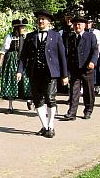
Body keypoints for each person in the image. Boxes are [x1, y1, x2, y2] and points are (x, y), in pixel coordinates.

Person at [17, 10, 68, 138]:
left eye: (43, 19)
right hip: (35, 72)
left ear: (49, 22)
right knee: (37, 100)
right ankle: (45, 126)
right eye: (39, 19)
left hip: (50, 72)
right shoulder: (30, 36)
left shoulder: (56, 36)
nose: (40, 21)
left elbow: (62, 56)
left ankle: (51, 125)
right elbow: (23, 56)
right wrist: (19, 71)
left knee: (50, 98)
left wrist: (64, 75)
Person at [62, 15, 98, 120]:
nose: (77, 26)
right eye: (75, 24)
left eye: (79, 24)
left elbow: (95, 51)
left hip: (87, 68)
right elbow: (68, 53)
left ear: (84, 25)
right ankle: (72, 113)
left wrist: (92, 62)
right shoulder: (71, 37)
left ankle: (88, 110)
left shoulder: (91, 36)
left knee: (88, 91)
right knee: (74, 90)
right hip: (75, 68)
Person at [0, 18, 32, 114]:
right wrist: (0, 64)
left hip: (24, 60)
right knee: (11, 82)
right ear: (17, 28)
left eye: (24, 27)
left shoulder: (27, 36)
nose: (24, 28)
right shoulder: (10, 36)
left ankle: (29, 100)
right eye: (22, 27)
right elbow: (3, 51)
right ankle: (10, 106)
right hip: (12, 61)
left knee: (26, 81)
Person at [86, 17, 100, 94]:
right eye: (87, 23)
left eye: (89, 23)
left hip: (96, 52)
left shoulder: (97, 32)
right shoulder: (83, 32)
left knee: (97, 70)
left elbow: (99, 44)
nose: (88, 24)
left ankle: (97, 86)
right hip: (86, 53)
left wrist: (96, 54)